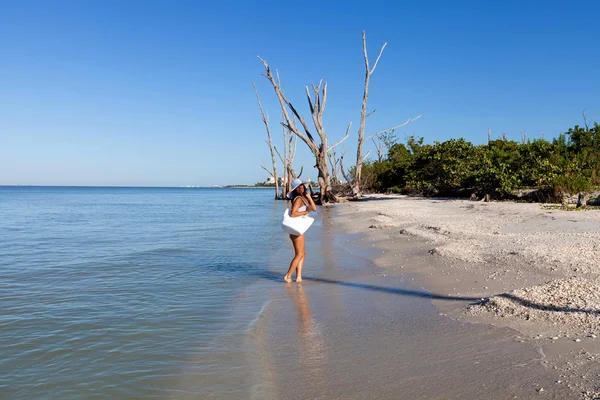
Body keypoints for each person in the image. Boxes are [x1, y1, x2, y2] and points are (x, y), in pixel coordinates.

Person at [284, 179, 317, 283]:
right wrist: (305, 213)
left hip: (298, 229)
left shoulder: (303, 198)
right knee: (299, 254)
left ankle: (298, 277)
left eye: (302, 186)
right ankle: (288, 276)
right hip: (296, 230)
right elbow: (293, 214)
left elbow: (314, 208)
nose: (301, 188)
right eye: (299, 187)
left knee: (302, 254)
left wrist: (309, 197)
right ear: (295, 189)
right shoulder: (298, 199)